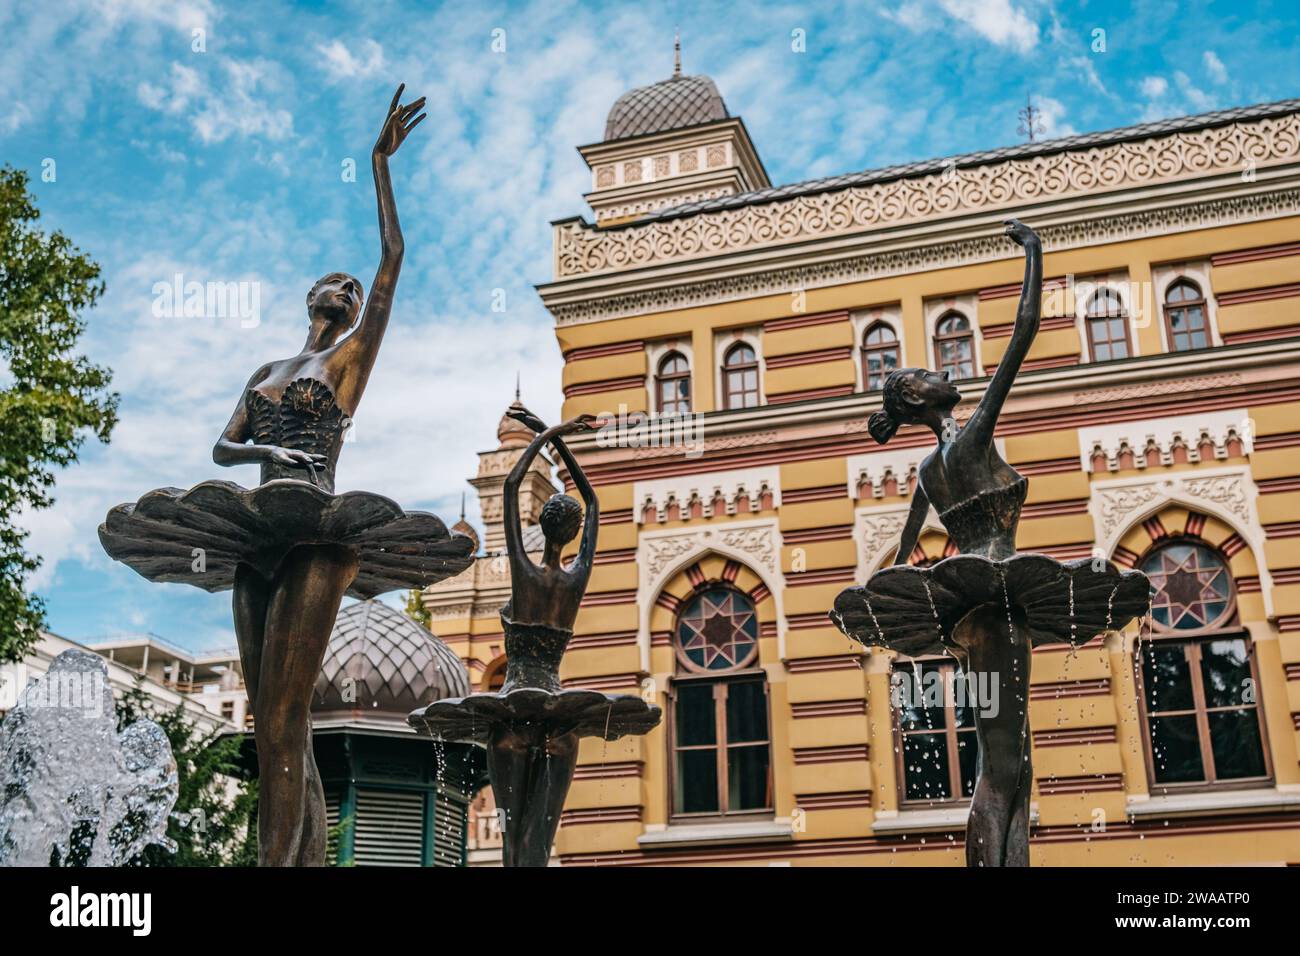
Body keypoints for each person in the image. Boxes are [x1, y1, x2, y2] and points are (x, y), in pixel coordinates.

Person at [100, 87, 475, 866]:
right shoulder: (270, 370)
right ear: (312, 298)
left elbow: (392, 266)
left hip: (319, 540)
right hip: (257, 538)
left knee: (283, 715)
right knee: (274, 722)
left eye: (348, 286)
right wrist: (264, 456)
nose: (341, 287)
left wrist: (379, 168)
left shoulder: (347, 362)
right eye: (331, 282)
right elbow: (221, 447)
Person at [830, 219, 1149, 866]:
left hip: (972, 621)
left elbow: (899, 561)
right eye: (928, 371)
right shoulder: (972, 435)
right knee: (1005, 766)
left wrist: (897, 609)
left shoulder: (925, 471)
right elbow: (1023, 334)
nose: (942, 371)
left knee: (1007, 760)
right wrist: (1034, 252)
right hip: (1004, 611)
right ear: (922, 396)